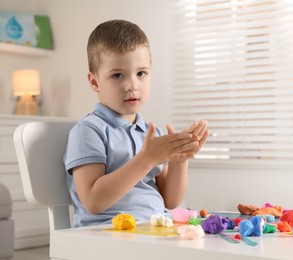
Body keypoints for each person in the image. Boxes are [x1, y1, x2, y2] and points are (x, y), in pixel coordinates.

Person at [63, 19, 208, 227]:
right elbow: (93, 201)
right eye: (117, 75)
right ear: (95, 82)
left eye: (141, 73)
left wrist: (179, 160)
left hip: (153, 227)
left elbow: (171, 200)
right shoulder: (89, 131)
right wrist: (146, 159)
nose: (132, 85)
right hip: (105, 231)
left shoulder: (151, 133)